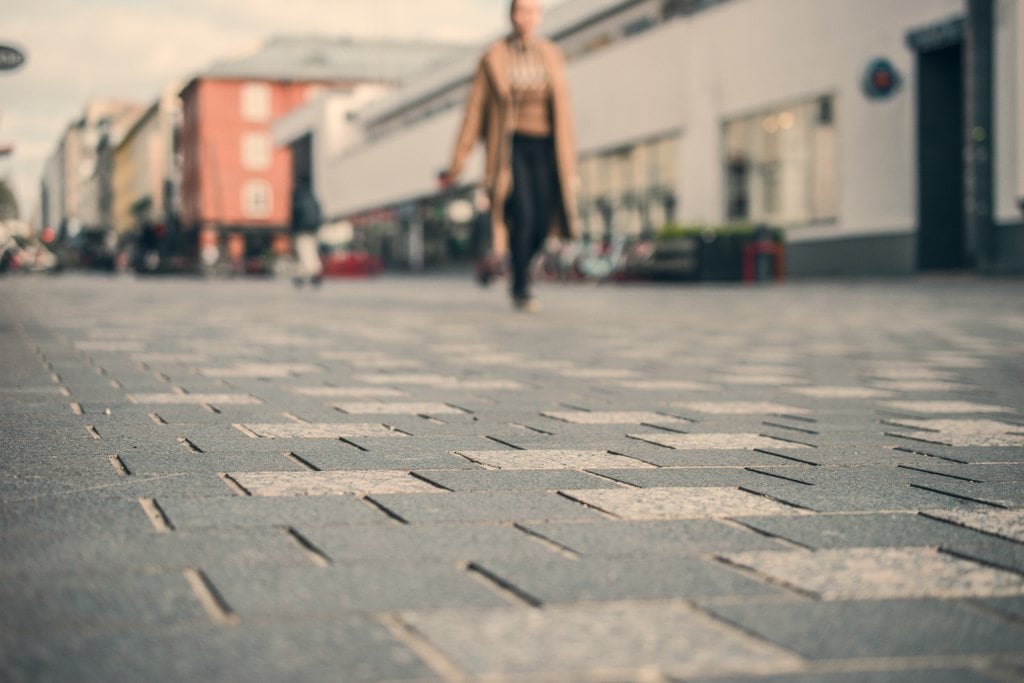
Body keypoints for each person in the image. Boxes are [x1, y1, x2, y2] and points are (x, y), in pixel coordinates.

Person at [440, 0, 579, 311]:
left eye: (532, 11)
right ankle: (521, 286)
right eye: (520, 11)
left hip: (547, 148)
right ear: (511, 16)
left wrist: (571, 160)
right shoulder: (494, 57)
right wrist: (457, 162)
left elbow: (565, 113)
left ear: (539, 16)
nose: (526, 18)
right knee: (524, 217)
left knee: (544, 222)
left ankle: (519, 271)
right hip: (511, 148)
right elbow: (474, 111)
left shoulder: (552, 55)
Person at [290, 183, 323, 287]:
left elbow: (295, 217)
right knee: (311, 253)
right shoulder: (314, 201)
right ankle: (315, 272)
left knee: (303, 254)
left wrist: (293, 230)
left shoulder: (298, 201)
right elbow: (319, 215)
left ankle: (302, 275)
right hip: (313, 231)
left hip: (302, 232)